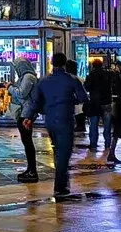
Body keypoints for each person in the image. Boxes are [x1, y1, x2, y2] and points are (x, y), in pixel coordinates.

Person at [23, 53, 87, 199]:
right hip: (65, 119)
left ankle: (62, 182)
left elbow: (35, 102)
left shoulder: (44, 81)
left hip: (50, 120)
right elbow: (83, 97)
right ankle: (60, 186)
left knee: (58, 150)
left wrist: (29, 118)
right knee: (64, 152)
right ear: (65, 64)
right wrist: (71, 101)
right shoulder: (72, 80)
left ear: (52, 63)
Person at [7, 58, 38, 183]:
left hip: (26, 114)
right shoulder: (27, 77)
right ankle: (30, 169)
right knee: (26, 142)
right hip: (25, 112)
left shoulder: (28, 77)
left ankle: (32, 171)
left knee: (28, 142)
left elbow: (21, 93)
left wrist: (10, 88)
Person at [84, 59, 114, 152]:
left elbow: (86, 87)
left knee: (93, 125)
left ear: (93, 66)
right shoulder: (108, 75)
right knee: (107, 125)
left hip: (94, 103)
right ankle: (107, 144)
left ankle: (93, 144)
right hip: (106, 102)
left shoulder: (91, 75)